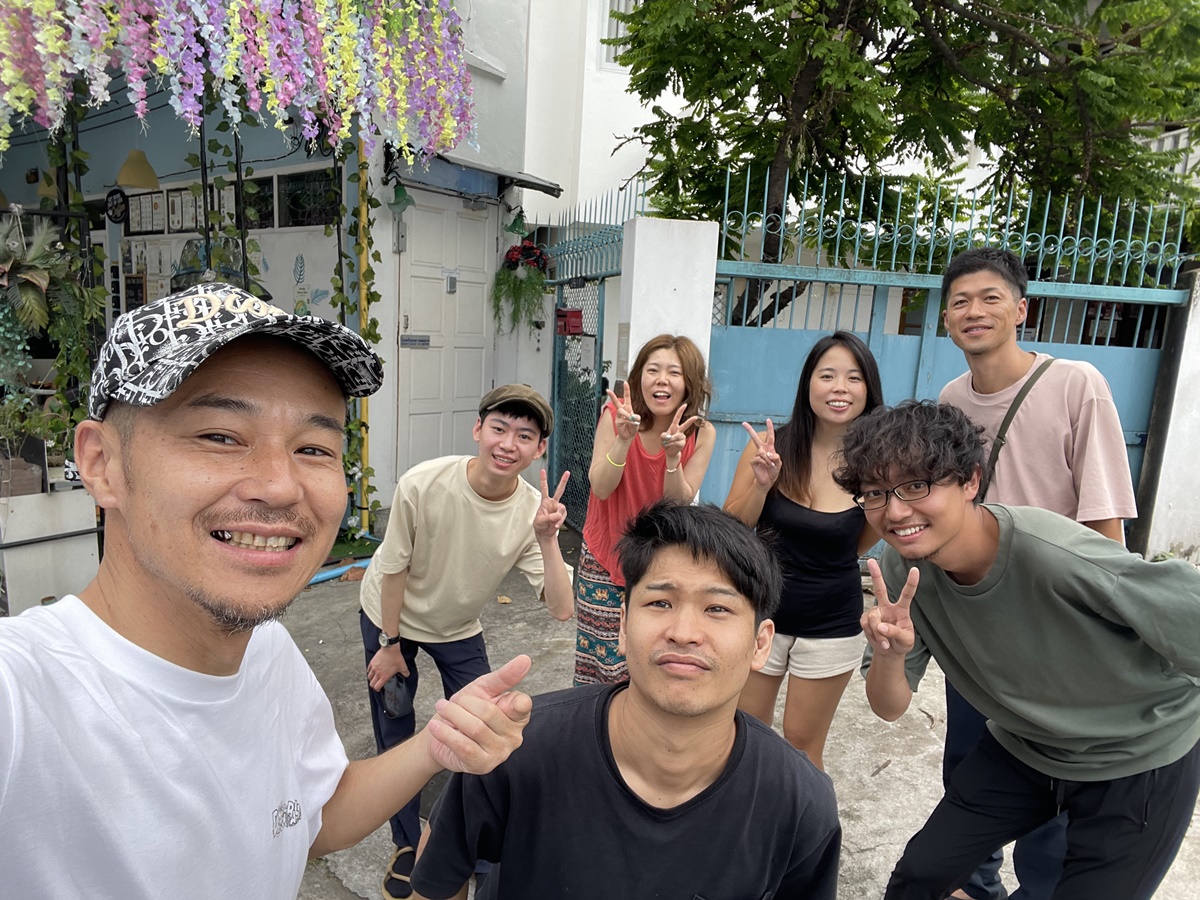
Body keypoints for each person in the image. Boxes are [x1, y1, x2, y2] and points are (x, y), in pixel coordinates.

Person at [0, 284, 533, 899]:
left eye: (314, 448)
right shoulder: (23, 701)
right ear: (101, 464)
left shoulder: (268, 652)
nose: (280, 487)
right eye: (220, 436)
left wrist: (436, 747)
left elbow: (311, 818)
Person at [835, 400, 1200, 900]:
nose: (895, 512)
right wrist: (890, 654)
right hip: (1027, 747)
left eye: (916, 486)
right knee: (921, 876)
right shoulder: (902, 570)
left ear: (970, 481)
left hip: (1137, 756)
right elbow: (888, 707)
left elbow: (1184, 610)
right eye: (875, 493)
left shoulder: (1055, 556)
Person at [410, 501, 842, 900]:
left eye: (717, 609)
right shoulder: (515, 748)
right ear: (621, 625)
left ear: (760, 643)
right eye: (660, 602)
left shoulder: (800, 803)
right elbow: (437, 881)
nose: (683, 633)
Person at [937, 247, 1137, 900]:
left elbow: (1105, 518)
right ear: (946, 317)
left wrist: (1108, 627)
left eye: (990, 298)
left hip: (1057, 625)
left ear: (1021, 309)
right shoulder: (949, 400)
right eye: (961, 301)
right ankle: (975, 884)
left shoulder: (1076, 384)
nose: (974, 311)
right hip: (976, 621)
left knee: (1051, 782)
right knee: (971, 766)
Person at [357, 383, 574, 899]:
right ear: (478, 429)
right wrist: (390, 645)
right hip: (391, 617)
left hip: (457, 626)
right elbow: (393, 568)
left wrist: (548, 539)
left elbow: (562, 608)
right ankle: (407, 843)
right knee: (396, 727)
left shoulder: (531, 511)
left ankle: (471, 845)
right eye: (499, 428)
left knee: (482, 731)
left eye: (524, 435)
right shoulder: (423, 483)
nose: (508, 444)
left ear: (539, 449)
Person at [723, 331, 883, 770]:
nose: (839, 388)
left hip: (831, 623)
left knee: (801, 745)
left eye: (853, 377)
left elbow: (860, 542)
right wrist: (762, 485)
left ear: (868, 389)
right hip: (762, 614)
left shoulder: (876, 464)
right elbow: (734, 528)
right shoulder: (772, 447)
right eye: (827, 375)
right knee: (746, 735)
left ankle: (804, 816)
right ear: (808, 383)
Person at [573, 334, 716, 685]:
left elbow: (678, 502)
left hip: (659, 561)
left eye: (674, 372)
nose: (662, 380)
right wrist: (624, 439)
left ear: (689, 384)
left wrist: (672, 458)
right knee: (601, 660)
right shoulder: (616, 417)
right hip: (605, 556)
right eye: (653, 370)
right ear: (639, 377)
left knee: (650, 659)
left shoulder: (701, 433)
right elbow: (601, 487)